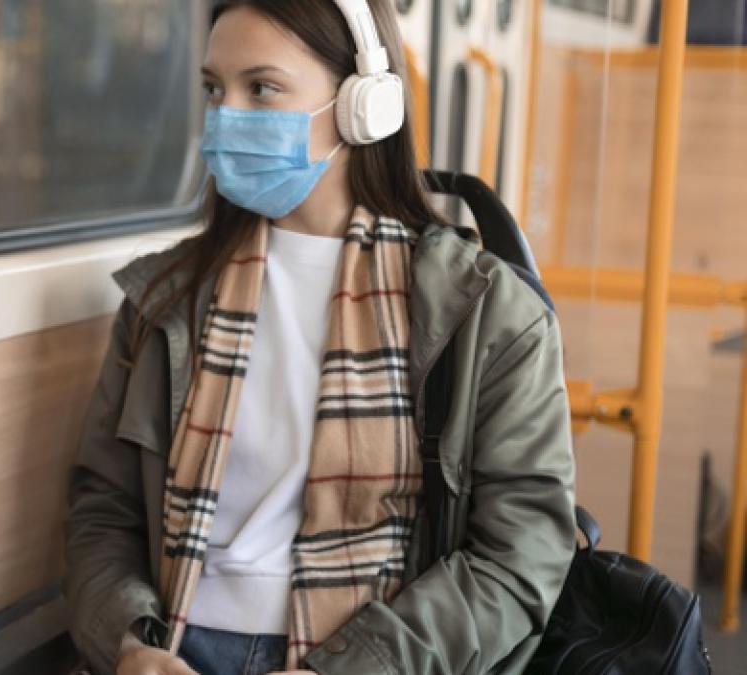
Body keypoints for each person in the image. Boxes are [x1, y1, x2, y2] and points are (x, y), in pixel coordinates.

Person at [63, 1, 576, 674]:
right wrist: (128, 641)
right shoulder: (164, 301)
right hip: (174, 648)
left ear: (364, 104)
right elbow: (104, 507)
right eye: (214, 88)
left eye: (262, 88)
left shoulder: (485, 314)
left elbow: (521, 554)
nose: (226, 117)